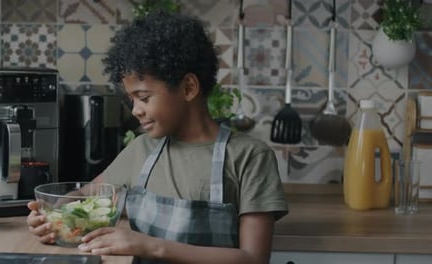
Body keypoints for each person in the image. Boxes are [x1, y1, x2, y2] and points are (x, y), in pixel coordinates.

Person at [27, 10, 288, 264]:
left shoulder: (250, 157)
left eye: (144, 97)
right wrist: (53, 215)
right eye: (131, 99)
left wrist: (148, 246)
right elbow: (85, 195)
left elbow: (253, 259)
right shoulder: (142, 148)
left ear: (188, 88)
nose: (136, 110)